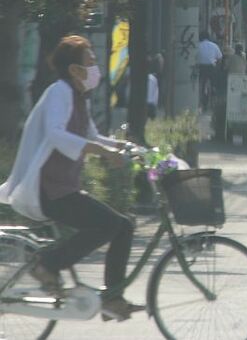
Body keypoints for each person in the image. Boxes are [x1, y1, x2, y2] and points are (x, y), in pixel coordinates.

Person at [0, 35, 144, 321]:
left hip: (63, 186)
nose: (95, 67)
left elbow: (90, 134)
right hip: (49, 189)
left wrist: (123, 146)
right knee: (116, 225)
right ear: (74, 69)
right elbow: (56, 133)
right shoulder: (59, 92)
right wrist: (101, 150)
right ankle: (47, 265)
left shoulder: (77, 96)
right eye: (89, 61)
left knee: (120, 226)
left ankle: (112, 297)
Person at [196, 31, 223, 108]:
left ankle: (201, 99)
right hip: (211, 67)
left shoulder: (198, 45)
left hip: (201, 67)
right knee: (213, 83)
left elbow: (194, 57)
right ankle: (213, 90)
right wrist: (217, 67)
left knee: (201, 83)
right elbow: (220, 58)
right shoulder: (214, 46)